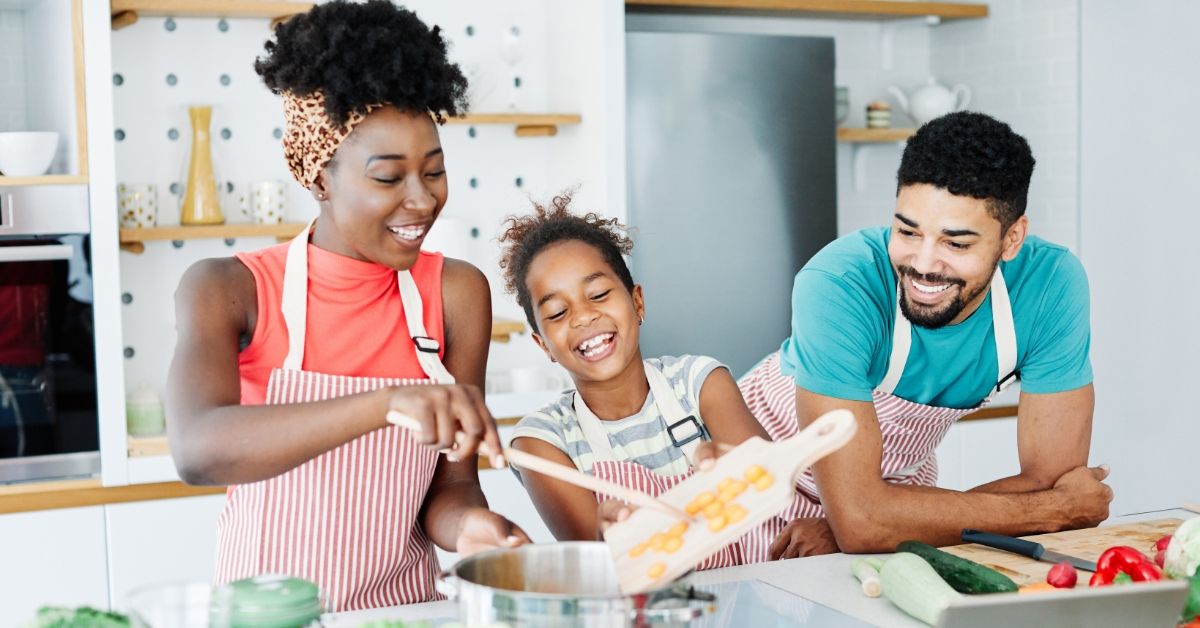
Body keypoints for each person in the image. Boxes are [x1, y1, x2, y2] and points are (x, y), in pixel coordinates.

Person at [165, 1, 528, 611]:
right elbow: (199, 449)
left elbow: (453, 484)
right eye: (388, 178)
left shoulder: (456, 293)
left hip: (406, 613)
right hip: (272, 619)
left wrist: (471, 531)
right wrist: (389, 404)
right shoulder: (228, 288)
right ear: (320, 178)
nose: (421, 200)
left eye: (434, 172)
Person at [737, 111, 1112, 555]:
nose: (924, 264)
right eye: (907, 231)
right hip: (747, 487)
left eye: (956, 243)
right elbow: (1059, 503)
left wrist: (883, 523)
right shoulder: (839, 282)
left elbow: (1051, 481)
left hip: (897, 493)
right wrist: (862, 522)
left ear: (1012, 239)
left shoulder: (1050, 285)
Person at [497, 193, 816, 564]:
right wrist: (607, 533)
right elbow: (601, 565)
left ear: (638, 303)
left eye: (598, 294)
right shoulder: (541, 442)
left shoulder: (699, 383)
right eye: (557, 312)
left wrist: (731, 469)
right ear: (543, 344)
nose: (583, 317)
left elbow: (770, 488)